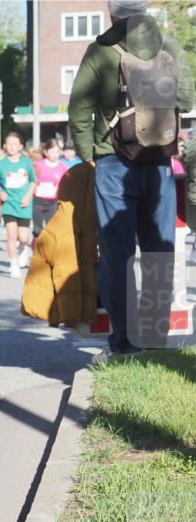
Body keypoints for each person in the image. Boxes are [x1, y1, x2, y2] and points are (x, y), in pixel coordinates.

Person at [68, 0, 195, 354]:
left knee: (117, 254)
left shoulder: (102, 49)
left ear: (113, 14)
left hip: (112, 161)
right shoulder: (168, 45)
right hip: (158, 163)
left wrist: (87, 153)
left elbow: (78, 106)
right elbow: (186, 99)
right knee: (159, 252)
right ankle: (154, 339)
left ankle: (124, 341)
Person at [0, 132, 36, 278]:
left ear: (21, 146)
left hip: (24, 205)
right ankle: (13, 264)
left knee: (23, 237)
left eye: (15, 144)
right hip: (8, 205)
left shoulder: (27, 163)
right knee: (11, 235)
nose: (12, 147)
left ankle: (23, 248)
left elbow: (33, 182)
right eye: (9, 144)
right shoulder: (1, 165)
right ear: (4, 146)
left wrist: (28, 196)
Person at [33, 138, 69, 241]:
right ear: (46, 152)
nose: (55, 154)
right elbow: (32, 180)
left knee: (51, 229)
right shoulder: (38, 165)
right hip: (38, 201)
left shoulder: (63, 167)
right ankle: (35, 249)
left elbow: (65, 185)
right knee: (37, 230)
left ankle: (49, 252)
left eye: (57, 151)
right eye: (52, 151)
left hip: (53, 202)